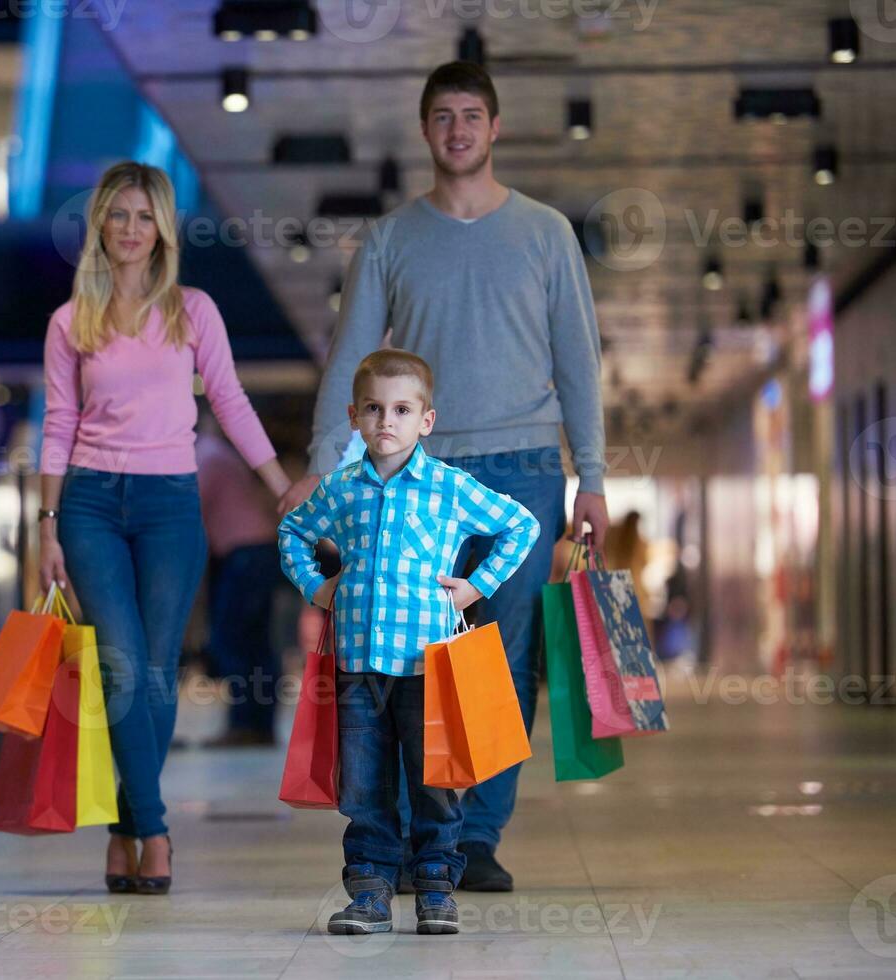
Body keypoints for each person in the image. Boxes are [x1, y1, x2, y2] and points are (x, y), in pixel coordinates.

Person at [277, 60, 609, 893]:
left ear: (493, 128)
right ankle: (407, 835)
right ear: (425, 132)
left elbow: (578, 362)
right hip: (413, 476)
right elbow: (350, 356)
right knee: (404, 656)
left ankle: (475, 837)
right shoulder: (389, 238)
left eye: (471, 115)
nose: (457, 129)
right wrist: (323, 465)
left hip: (526, 468)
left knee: (502, 657)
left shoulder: (544, 234)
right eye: (441, 117)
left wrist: (592, 477)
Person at [37, 161, 290, 896]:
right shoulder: (69, 322)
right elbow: (58, 424)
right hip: (87, 506)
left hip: (169, 505)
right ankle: (154, 830)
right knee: (120, 663)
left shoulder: (191, 310)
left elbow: (233, 402)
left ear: (163, 229)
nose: (129, 229)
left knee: (153, 668)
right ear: (98, 226)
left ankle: (124, 828)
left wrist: (279, 486)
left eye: (144, 216)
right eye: (117, 215)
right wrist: (47, 525)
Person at [280, 350, 539, 935]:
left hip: (430, 668)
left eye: (401, 409)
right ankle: (370, 892)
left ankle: (435, 887)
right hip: (358, 668)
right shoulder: (341, 489)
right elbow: (292, 530)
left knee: (435, 782)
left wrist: (477, 585)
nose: (385, 421)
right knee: (365, 786)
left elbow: (521, 524)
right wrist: (317, 588)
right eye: (373, 409)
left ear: (426, 420)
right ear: (354, 416)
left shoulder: (449, 488)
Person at [196, 422, 283, 747]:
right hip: (258, 551)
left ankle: (245, 724)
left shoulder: (206, 456)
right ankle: (260, 726)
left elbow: (193, 513)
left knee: (232, 640)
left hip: (243, 554)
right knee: (256, 643)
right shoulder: (218, 452)